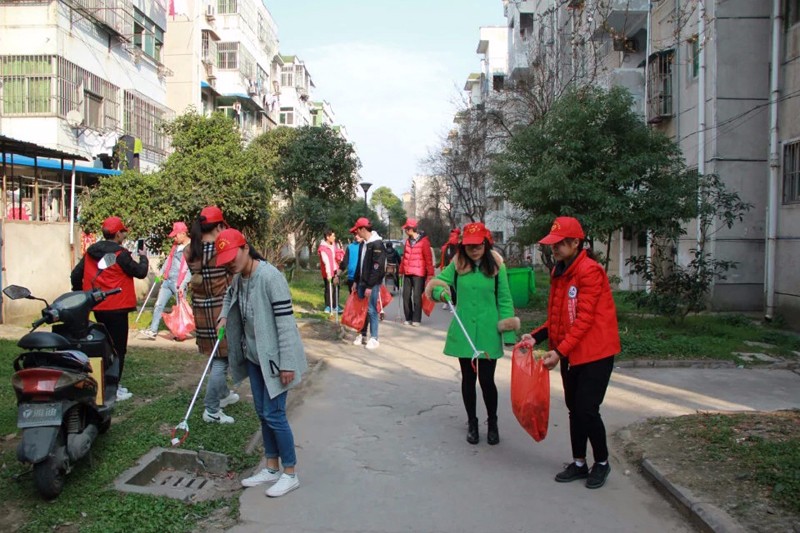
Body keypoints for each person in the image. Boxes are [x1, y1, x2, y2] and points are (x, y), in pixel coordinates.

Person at [524, 216, 620, 490]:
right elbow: (558, 318)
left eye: (558, 244)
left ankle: (601, 462)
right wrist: (537, 336)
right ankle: (579, 462)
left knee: (587, 409)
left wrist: (559, 352)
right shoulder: (560, 271)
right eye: (551, 244)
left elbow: (584, 319)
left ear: (576, 242)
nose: (553, 249)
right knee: (573, 410)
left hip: (595, 353)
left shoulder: (590, 271)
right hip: (572, 351)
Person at [215, 229, 308, 498]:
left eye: (234, 256)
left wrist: (288, 363)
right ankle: (270, 466)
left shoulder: (270, 277)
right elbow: (229, 297)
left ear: (246, 249)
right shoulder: (238, 278)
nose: (231, 262)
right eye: (226, 259)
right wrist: (223, 316)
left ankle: (290, 473)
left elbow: (285, 323)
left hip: (276, 360)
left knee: (275, 414)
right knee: (262, 412)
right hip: (254, 357)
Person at [424, 222, 519, 445]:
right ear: (462, 246)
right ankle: (472, 423)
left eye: (478, 245)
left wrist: (509, 334)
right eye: (469, 246)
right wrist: (440, 292)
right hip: (465, 329)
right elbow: (438, 283)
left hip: (488, 331)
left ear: (486, 243)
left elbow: (504, 299)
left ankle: (492, 423)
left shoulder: (497, 266)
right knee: (468, 379)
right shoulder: (457, 264)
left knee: (487, 381)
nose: (473, 249)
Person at [70, 216, 149, 401]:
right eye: (123, 232)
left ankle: (102, 381)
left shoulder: (91, 252)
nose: (123, 236)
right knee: (118, 348)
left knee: (103, 345)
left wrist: (81, 294)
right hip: (118, 306)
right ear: (118, 234)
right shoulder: (120, 255)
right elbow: (140, 272)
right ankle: (114, 386)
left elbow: (76, 275)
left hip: (97, 305)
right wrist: (144, 257)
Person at [185, 206, 239, 424]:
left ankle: (223, 395)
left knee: (214, 356)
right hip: (221, 312)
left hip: (201, 311)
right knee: (221, 360)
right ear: (218, 226)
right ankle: (212, 409)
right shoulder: (220, 251)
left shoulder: (191, 250)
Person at [141, 221, 191, 340]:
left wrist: (184, 284)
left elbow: (190, 268)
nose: (174, 237)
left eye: (176, 235)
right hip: (167, 281)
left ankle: (180, 333)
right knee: (158, 304)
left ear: (183, 233)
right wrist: (161, 273)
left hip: (179, 283)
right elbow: (169, 260)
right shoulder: (175, 245)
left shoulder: (191, 248)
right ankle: (153, 330)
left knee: (180, 309)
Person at [350, 217, 386, 350]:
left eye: (357, 231)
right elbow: (360, 264)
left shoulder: (377, 244)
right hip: (361, 282)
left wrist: (370, 286)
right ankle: (362, 334)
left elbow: (377, 267)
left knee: (371, 310)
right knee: (361, 310)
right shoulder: (363, 244)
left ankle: (374, 338)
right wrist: (355, 280)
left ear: (363, 229)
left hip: (371, 284)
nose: (356, 234)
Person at [398, 218, 434, 326]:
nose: (405, 231)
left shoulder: (424, 242)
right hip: (408, 273)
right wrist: (401, 271)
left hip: (419, 274)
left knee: (417, 297)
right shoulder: (408, 242)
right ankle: (408, 317)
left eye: (406, 229)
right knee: (406, 296)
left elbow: (428, 259)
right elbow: (404, 258)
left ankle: (416, 319)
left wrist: (431, 274)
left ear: (411, 229)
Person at [317, 228, 343, 314]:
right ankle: (328, 306)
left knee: (337, 287)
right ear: (328, 237)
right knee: (328, 288)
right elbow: (326, 261)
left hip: (335, 269)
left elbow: (338, 256)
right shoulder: (322, 248)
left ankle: (336, 306)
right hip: (327, 271)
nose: (334, 237)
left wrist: (340, 251)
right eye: (333, 235)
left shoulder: (334, 245)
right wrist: (328, 273)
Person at [439, 228, 461, 309]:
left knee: (454, 285)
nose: (452, 236)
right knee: (450, 285)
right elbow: (444, 256)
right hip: (448, 266)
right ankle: (451, 301)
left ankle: (455, 302)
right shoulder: (448, 245)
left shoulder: (458, 244)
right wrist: (440, 265)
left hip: (456, 266)